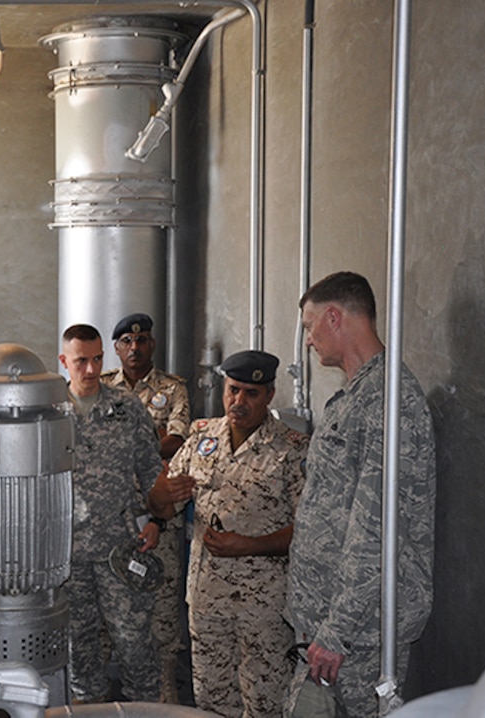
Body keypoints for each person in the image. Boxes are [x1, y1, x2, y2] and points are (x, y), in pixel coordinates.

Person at [286, 271, 436, 717]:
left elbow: (376, 531)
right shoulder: (358, 395)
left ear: (335, 317)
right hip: (328, 623)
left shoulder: (391, 403)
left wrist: (337, 631)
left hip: (360, 634)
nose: (309, 341)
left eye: (310, 326)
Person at [151, 350, 308, 718]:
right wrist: (159, 496)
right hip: (207, 603)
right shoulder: (202, 438)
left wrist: (249, 546)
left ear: (269, 395)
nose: (238, 401)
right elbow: (163, 506)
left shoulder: (293, 450)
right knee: (211, 704)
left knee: (265, 705)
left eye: (251, 393)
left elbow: (308, 533)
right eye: (233, 390)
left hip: (265, 610)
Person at [59, 323, 163, 704]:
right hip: (67, 556)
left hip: (120, 550)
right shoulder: (50, 413)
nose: (90, 370)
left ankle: (144, 712)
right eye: (81, 361)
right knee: (79, 650)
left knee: (135, 644)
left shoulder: (127, 408)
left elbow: (152, 473)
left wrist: (157, 521)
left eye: (97, 359)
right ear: (64, 362)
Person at [100, 312, 190, 703]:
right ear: (117, 348)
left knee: (162, 602)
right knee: (106, 600)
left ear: (152, 344)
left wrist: (124, 444)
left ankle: (165, 688)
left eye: (142, 341)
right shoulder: (101, 387)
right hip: (108, 515)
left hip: (157, 512)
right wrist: (150, 439)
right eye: (126, 342)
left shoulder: (173, 389)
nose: (134, 349)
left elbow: (179, 439)